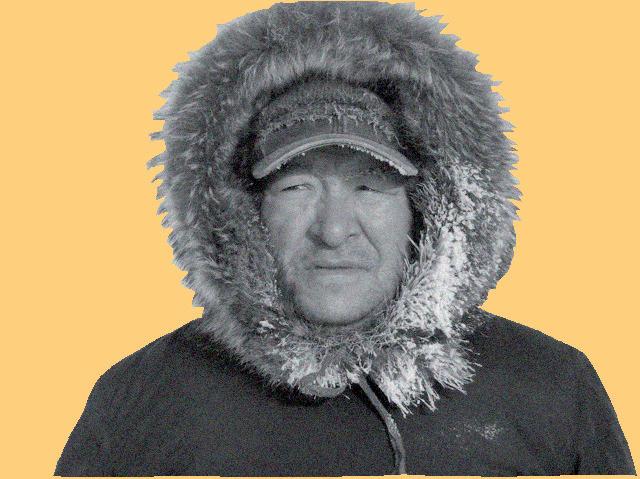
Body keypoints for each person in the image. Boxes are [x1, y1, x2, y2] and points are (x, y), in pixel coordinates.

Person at [54, 2, 635, 476]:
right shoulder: (143, 400)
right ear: (244, 215)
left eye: (368, 186)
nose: (333, 230)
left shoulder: (551, 387)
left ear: (425, 210)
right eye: (296, 187)